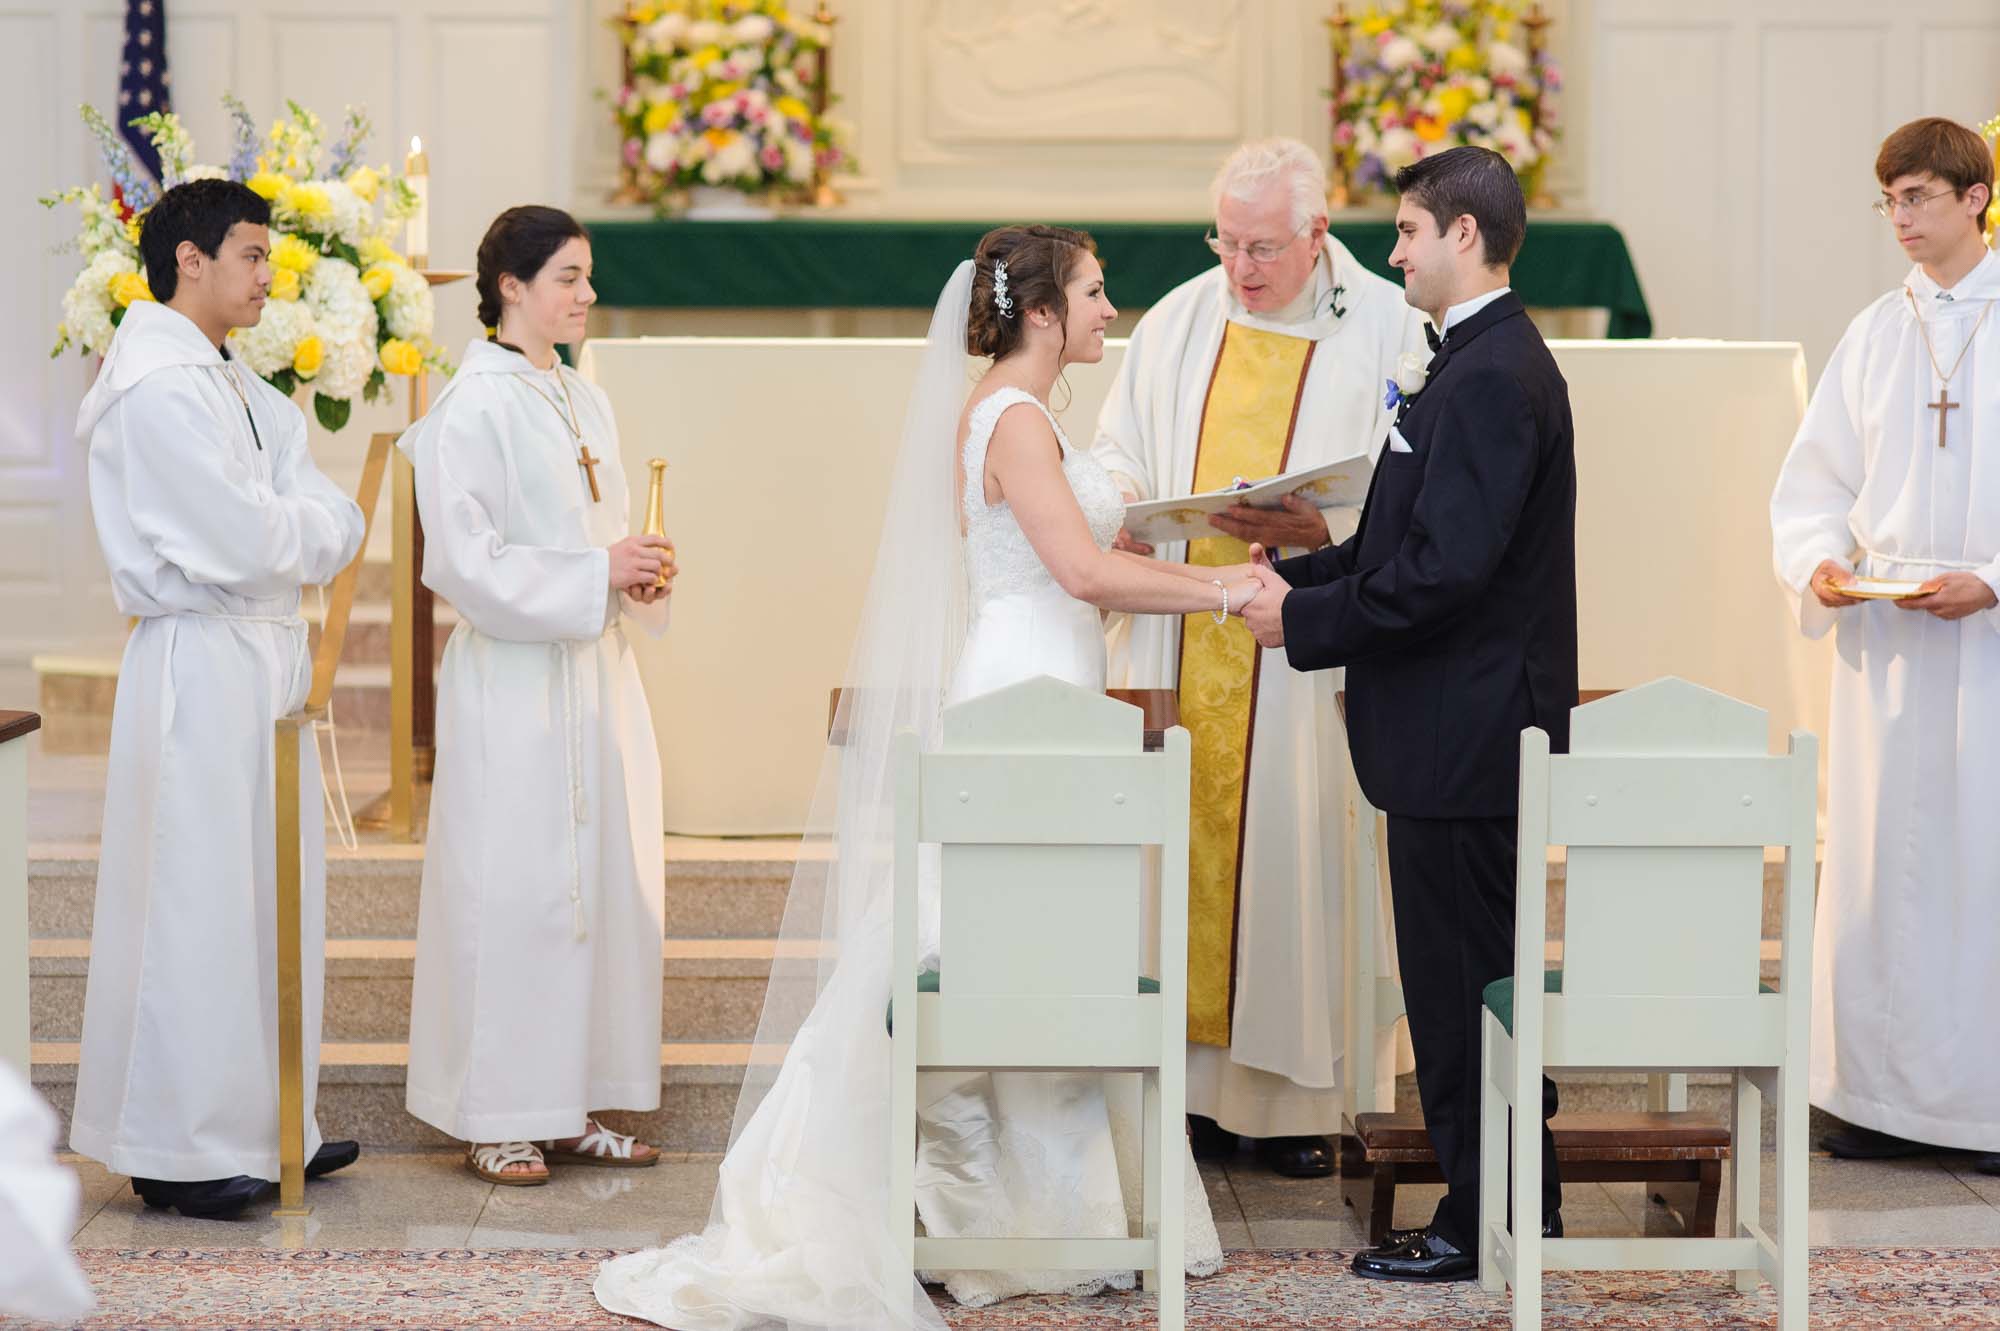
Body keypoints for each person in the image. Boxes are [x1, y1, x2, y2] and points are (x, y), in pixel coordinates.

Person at [596, 226, 1262, 1329]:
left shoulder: (1020, 412)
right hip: (1022, 692)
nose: (1110, 310)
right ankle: (968, 1204)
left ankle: (1034, 1212)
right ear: (1042, 311)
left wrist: (1165, 548)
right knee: (987, 934)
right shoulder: (1014, 417)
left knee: (1039, 937)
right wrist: (1230, 593)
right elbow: (1078, 569)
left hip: (1045, 674)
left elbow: (1076, 557)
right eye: (1095, 293)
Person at [1242, 146, 1575, 1281]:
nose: (1391, 255)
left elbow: (1445, 574)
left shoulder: (1488, 374)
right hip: (1452, 732)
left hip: (1463, 737)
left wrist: (1305, 621)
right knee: (1462, 984)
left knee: (1461, 990)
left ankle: (1484, 1219)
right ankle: (1515, 1205)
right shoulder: (1469, 360)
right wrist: (1295, 582)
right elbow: (1401, 544)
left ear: (1463, 236)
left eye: (1407, 232)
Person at [1091, 137, 1429, 1177]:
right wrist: (1121, 503)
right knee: (1183, 852)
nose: (1240, 266)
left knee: (1295, 847)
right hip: (1185, 626)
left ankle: (1293, 1106)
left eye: (1263, 247)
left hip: (1308, 645)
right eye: (1226, 242)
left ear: (1316, 233)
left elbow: (1417, 486)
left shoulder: (1388, 326)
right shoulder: (1179, 319)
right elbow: (1118, 445)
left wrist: (1326, 529)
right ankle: (1191, 1094)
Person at [70, 177, 365, 1219]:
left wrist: (295, 529)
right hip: (199, 661)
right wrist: (296, 530)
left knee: (265, 895)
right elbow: (244, 540)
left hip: (260, 656)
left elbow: (333, 512)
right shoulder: (155, 385)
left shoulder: (236, 380)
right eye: (251, 253)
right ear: (188, 259)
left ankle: (267, 1123)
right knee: (196, 901)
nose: (268, 274)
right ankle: (178, 1147)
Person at [400, 205, 676, 1185]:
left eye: (588, 275)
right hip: (514, 685)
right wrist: (597, 570)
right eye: (568, 276)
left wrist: (640, 576)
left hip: (593, 674)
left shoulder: (583, 399)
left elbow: (602, 530)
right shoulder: (468, 408)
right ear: (509, 287)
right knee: (512, 891)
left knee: (594, 891)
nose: (587, 293)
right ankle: (496, 1114)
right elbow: (463, 563)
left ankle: (567, 1104)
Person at [1769, 116, 2000, 1176]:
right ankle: (1869, 1096)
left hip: (1985, 642)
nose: (1900, 219)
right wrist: (1818, 560)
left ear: (1974, 198)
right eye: (1889, 201)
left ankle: (1982, 1108)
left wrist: (1992, 578)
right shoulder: (1873, 332)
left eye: (1917, 197)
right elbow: (1814, 480)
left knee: (1975, 867)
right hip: (1888, 644)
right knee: (1876, 869)